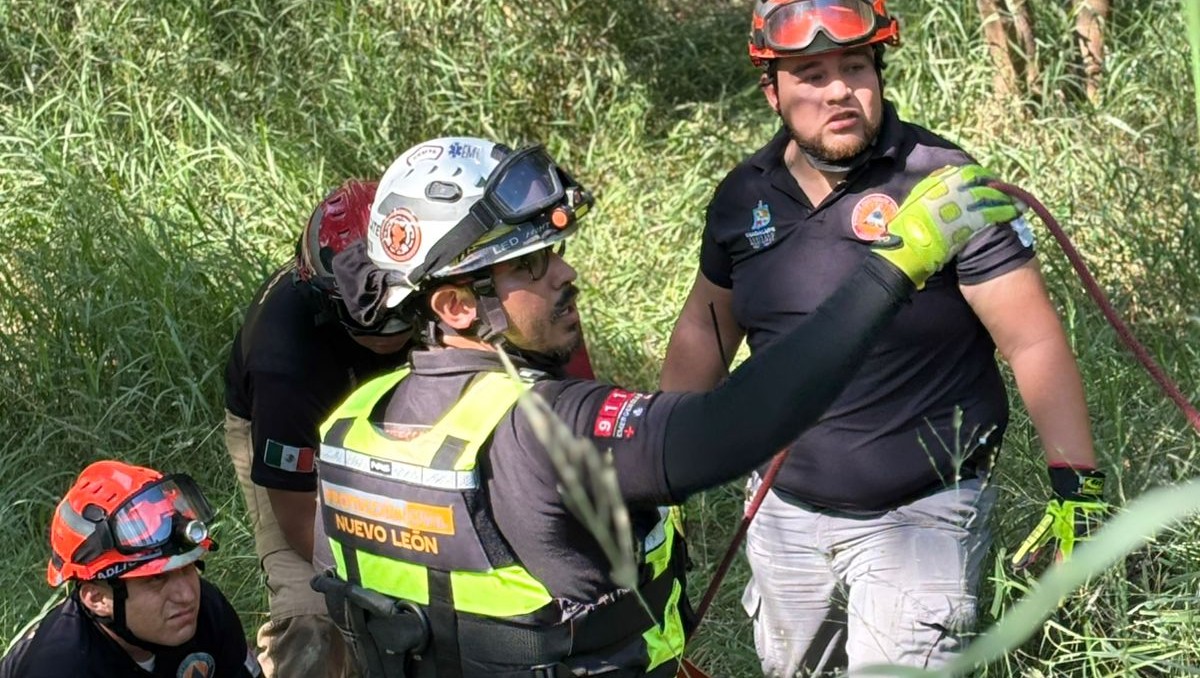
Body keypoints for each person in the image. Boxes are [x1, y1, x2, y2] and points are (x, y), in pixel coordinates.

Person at [307, 135, 1022, 677]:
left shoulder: (349, 429)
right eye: (531, 265)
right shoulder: (544, 427)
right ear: (458, 304)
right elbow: (735, 425)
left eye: (556, 251)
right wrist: (891, 269)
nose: (568, 274)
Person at [659, 1, 1108, 675]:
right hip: (783, 508)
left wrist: (1078, 484)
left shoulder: (942, 182)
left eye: (855, 66)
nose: (839, 88)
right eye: (809, 73)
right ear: (771, 89)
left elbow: (1032, 340)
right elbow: (705, 325)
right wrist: (663, 471)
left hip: (922, 510)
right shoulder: (742, 197)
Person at [223, 179, 414, 678]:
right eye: (371, 321)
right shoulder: (283, 360)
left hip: (398, 407)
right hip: (301, 436)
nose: (391, 331)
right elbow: (300, 522)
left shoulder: (434, 278)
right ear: (325, 299)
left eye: (401, 311)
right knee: (315, 616)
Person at [0, 460, 262, 678]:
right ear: (97, 598)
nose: (187, 595)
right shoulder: (59, 666)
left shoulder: (208, 612)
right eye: (157, 579)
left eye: (188, 567)